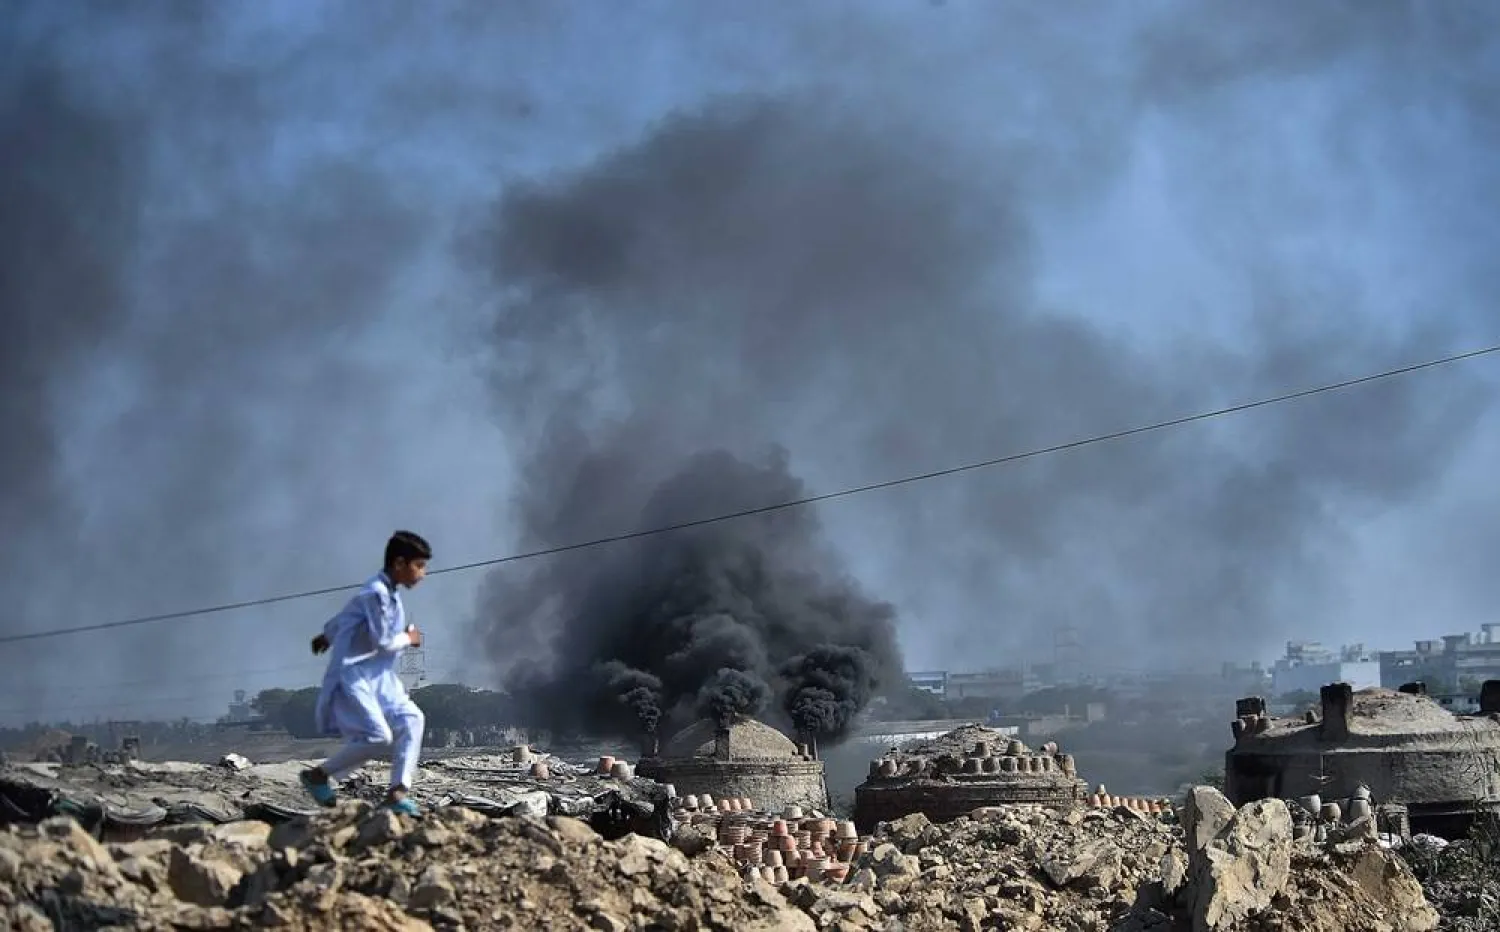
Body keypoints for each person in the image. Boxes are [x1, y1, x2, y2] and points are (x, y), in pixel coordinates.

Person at [299, 530, 431, 814]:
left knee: (412, 719)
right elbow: (382, 642)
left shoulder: (386, 594)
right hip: (356, 677)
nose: (423, 573)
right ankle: (318, 776)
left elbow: (348, 616)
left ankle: (397, 793)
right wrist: (410, 638)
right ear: (399, 564)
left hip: (380, 676)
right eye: (418, 566)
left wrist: (326, 636)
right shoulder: (376, 594)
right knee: (377, 737)